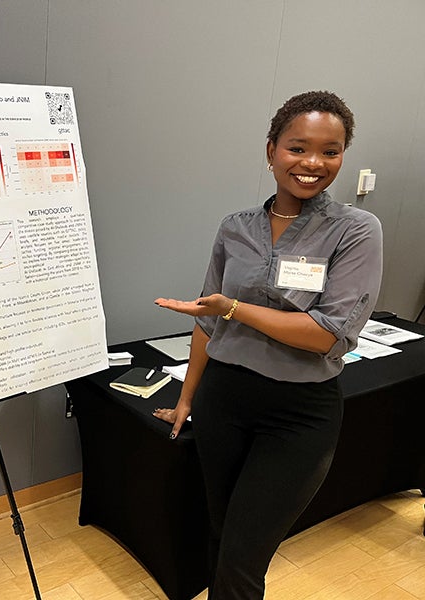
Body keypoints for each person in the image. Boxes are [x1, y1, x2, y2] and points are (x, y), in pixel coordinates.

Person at [153, 90, 383, 599]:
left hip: (298, 414)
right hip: (224, 400)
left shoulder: (356, 230)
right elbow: (206, 322)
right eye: (297, 148)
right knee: (220, 533)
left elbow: (329, 332)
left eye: (331, 151)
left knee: (243, 553)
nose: (313, 163)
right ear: (271, 150)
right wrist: (188, 398)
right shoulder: (235, 227)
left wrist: (233, 308)